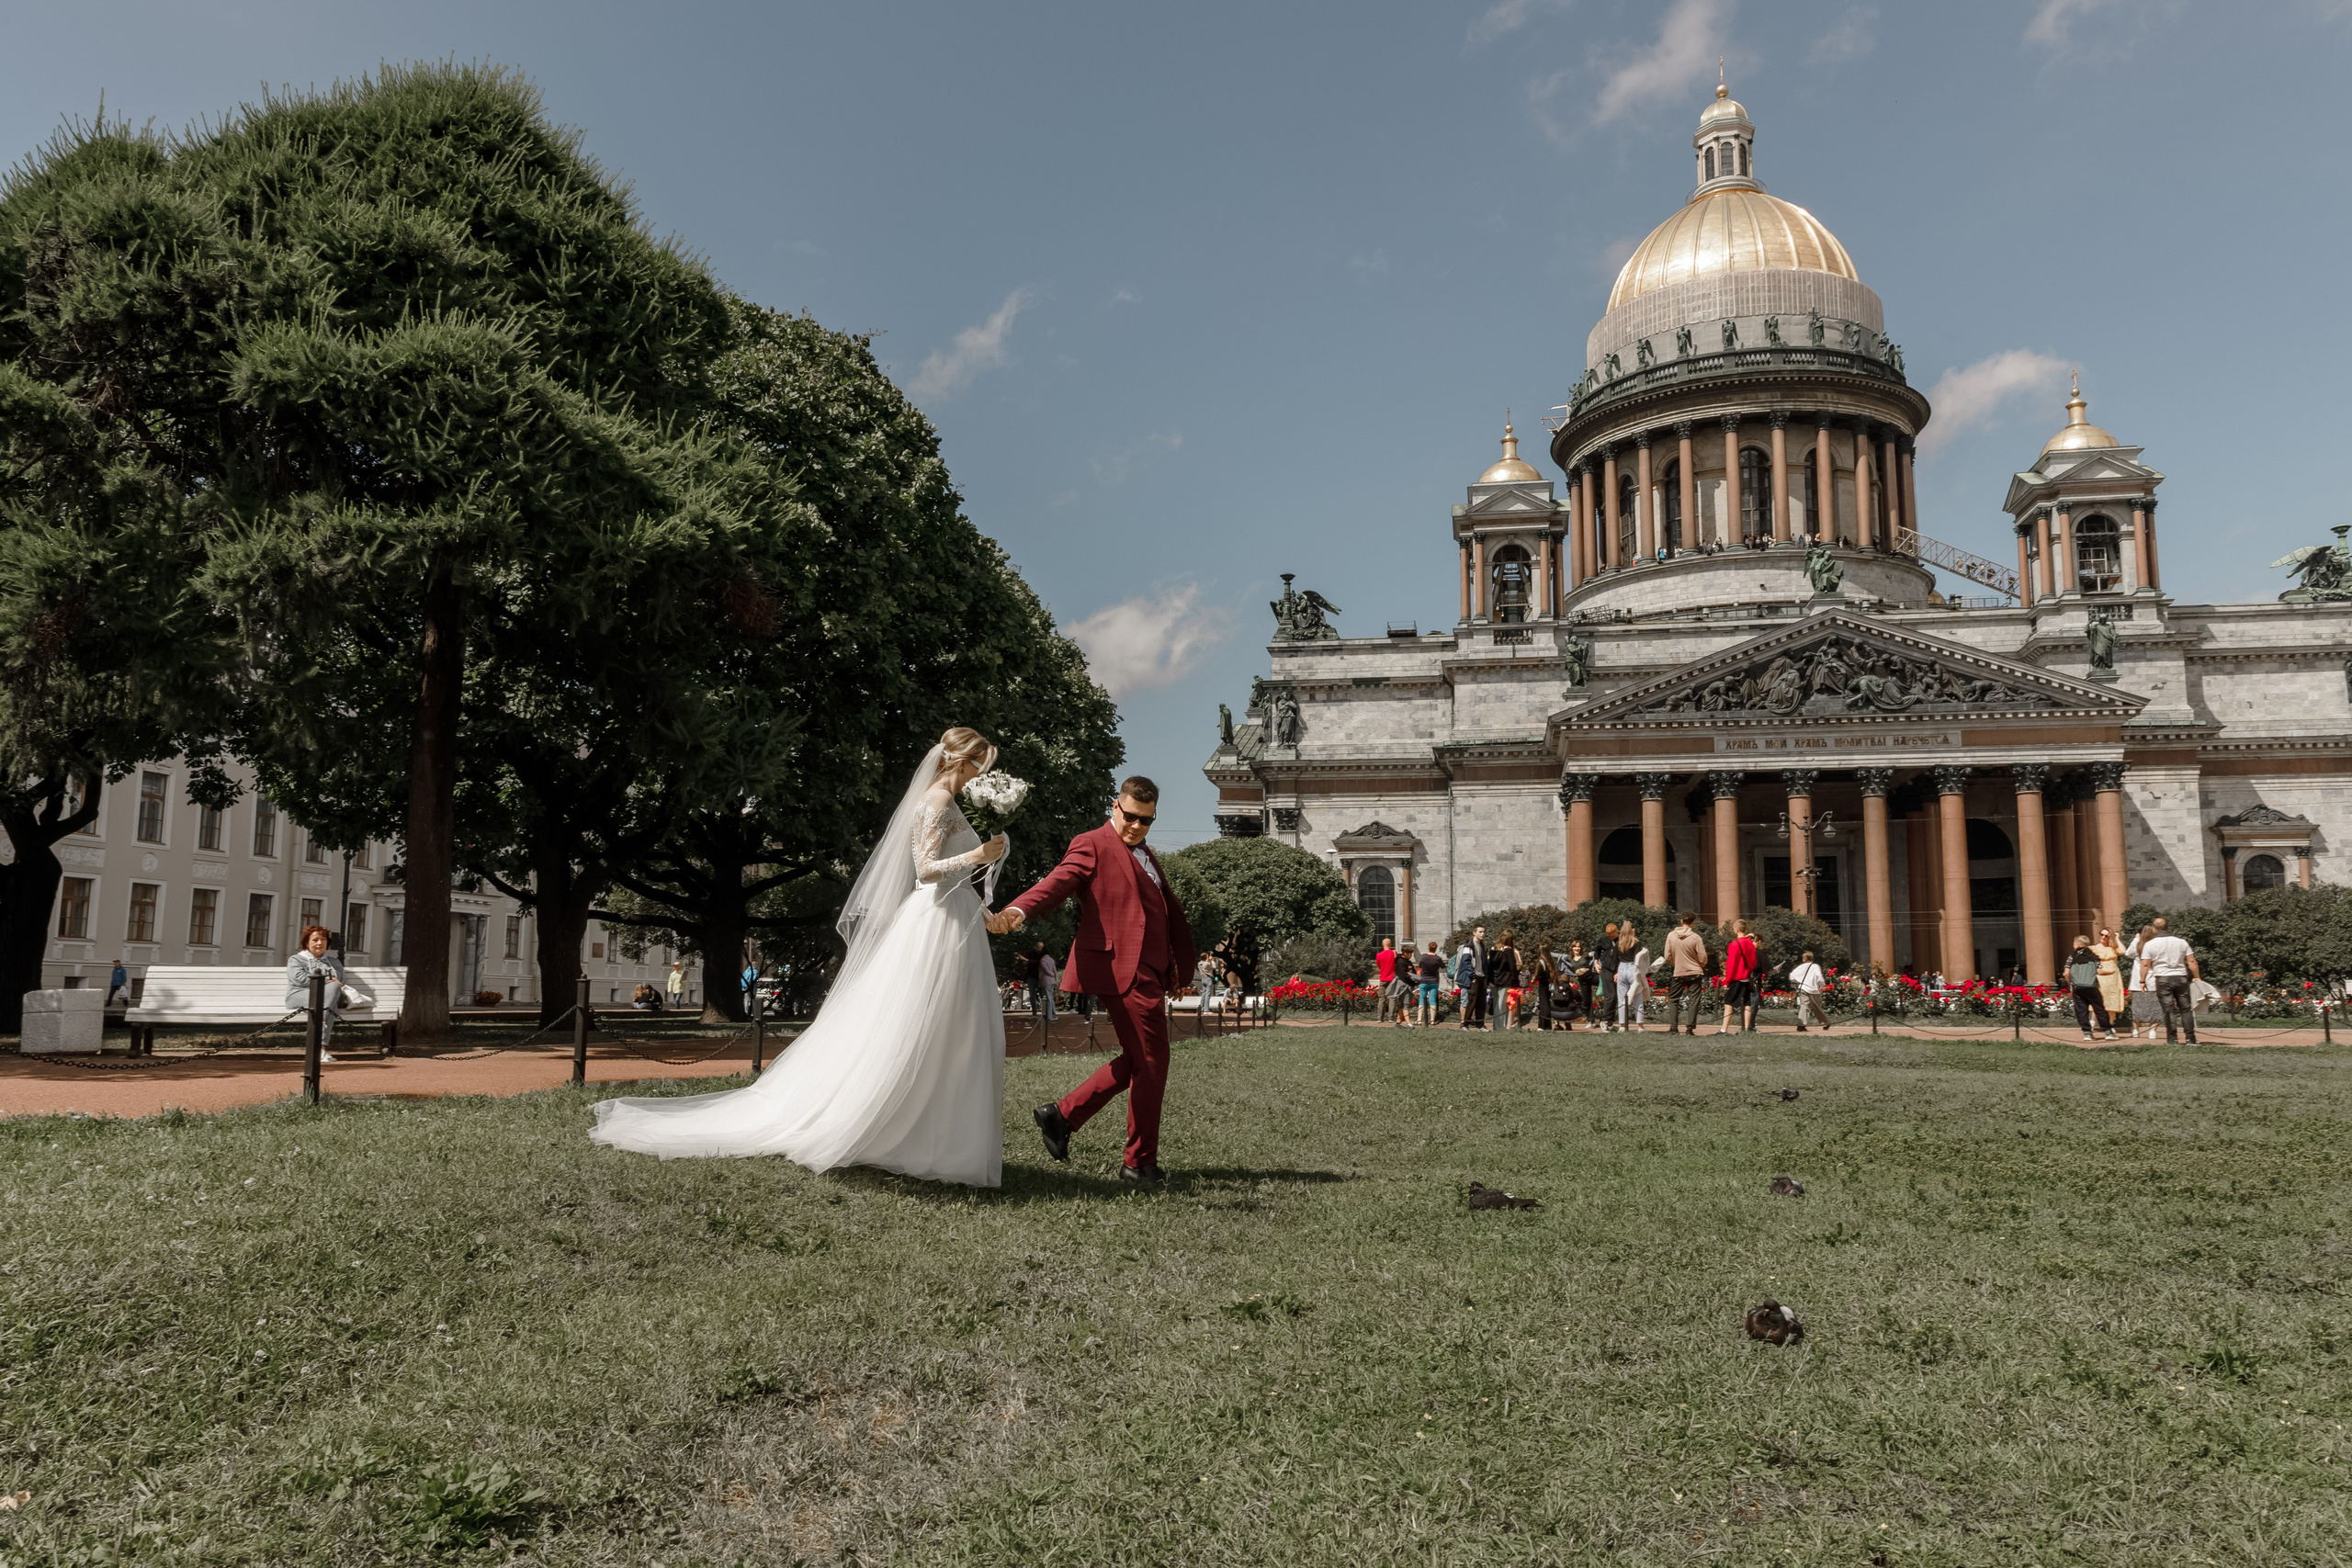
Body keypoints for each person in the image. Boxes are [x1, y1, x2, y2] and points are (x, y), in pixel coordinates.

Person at [591, 728, 1012, 1186]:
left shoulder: (950, 804)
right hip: (932, 923)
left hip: (955, 920)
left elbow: (952, 877)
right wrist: (977, 854)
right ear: (958, 761)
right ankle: (897, 1129)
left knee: (954, 1030)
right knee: (919, 1026)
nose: (978, 776)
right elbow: (927, 870)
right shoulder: (933, 802)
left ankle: (938, 1137)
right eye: (977, 766)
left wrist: (986, 904)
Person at [1000, 774, 1197, 1185]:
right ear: (1115, 806)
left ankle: (1063, 1115)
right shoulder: (1091, 843)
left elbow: (1158, 912)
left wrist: (1174, 964)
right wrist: (1018, 910)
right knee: (1151, 1062)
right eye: (1130, 817)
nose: (1136, 827)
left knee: (1142, 1061)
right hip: (1121, 969)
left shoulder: (1145, 852)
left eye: (1146, 821)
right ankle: (1138, 1163)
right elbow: (1058, 881)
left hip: (1150, 972)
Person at [285, 923, 372, 1065]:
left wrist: (333, 984)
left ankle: (322, 1020)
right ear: (306, 943)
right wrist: (327, 980)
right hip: (300, 995)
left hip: (329, 997)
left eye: (323, 940)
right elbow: (299, 980)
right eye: (315, 940)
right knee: (328, 1004)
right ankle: (321, 1048)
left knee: (328, 999)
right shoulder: (296, 960)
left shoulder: (334, 962)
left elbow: (340, 983)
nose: (320, 943)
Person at [2134, 917, 2200, 1044]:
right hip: (2181, 977)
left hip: (2163, 979)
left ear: (2154, 929)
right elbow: (2191, 961)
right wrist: (2196, 976)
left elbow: (2145, 964)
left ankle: (2172, 1039)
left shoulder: (2150, 944)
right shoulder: (2181, 942)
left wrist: (2142, 981)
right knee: (2185, 1008)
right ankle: (2190, 1038)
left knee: (2169, 1009)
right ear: (2167, 927)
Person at [1662, 912, 1709, 1035]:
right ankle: (1690, 1028)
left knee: (1673, 999)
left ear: (1681, 921)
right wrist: (1700, 965)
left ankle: (1673, 1028)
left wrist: (1675, 963)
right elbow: (1703, 957)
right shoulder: (1696, 937)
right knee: (1694, 1000)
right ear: (1693, 922)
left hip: (1679, 972)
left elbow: (1667, 956)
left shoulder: (1671, 936)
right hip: (1695, 972)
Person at [2065, 934, 2116, 1041]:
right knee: (2099, 1009)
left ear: (2078, 944)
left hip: (2077, 987)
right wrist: (2111, 972)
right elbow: (2099, 971)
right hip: (2091, 987)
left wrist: (2070, 983)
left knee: (2081, 1010)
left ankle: (2087, 1033)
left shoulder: (2072, 956)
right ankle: (2108, 1032)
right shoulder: (2093, 956)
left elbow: (2066, 973)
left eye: (2074, 943)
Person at [1720, 919, 1759, 1034]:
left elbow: (1731, 965)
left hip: (1736, 978)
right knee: (1747, 1003)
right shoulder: (1751, 945)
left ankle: (1724, 1029)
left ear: (1736, 929)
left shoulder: (1734, 944)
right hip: (1747, 977)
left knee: (1729, 1003)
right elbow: (1753, 962)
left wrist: (1727, 981)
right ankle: (1746, 1029)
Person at [2124, 923, 2162, 1040]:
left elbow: (2128, 953)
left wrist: (2136, 938)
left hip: (2138, 981)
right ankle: (2152, 1031)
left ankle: (2135, 1030)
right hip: (2153, 980)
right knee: (2155, 1008)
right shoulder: (2156, 945)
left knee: (2137, 1008)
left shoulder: (2137, 944)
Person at [1612, 926, 1650, 1032]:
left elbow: (1615, 959)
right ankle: (1640, 1026)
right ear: (1631, 930)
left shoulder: (1618, 943)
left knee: (1622, 999)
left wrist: (1616, 972)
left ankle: (1622, 1026)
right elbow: (1638, 958)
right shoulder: (1637, 943)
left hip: (1622, 968)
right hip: (1633, 968)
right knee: (1637, 997)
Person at [1455, 925, 1491, 1030]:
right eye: (1480, 932)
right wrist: (1473, 976)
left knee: (1481, 1002)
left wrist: (1485, 976)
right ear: (1474, 933)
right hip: (1474, 978)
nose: (1482, 934)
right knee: (1471, 1001)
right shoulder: (1469, 946)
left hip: (1482, 977)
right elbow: (1466, 962)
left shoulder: (1482, 946)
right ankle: (1465, 1024)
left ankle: (1480, 1025)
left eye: (1483, 932)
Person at [2091, 928, 2127, 1023]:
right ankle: (2093, 1022)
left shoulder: (2113, 948)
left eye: (2106, 935)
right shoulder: (2094, 948)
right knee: (2098, 997)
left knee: (2112, 998)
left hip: (2113, 976)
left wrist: (2117, 938)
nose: (2103, 937)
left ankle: (2110, 1023)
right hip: (2100, 974)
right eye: (2101, 934)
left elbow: (2123, 951)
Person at [1789, 949, 1828, 1032]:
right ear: (1812, 958)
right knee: (1817, 1007)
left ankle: (1801, 1024)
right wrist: (1822, 985)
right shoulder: (1815, 966)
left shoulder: (1800, 967)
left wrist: (1799, 980)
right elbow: (1819, 976)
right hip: (1813, 989)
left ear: (1804, 959)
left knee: (1804, 1006)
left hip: (1803, 988)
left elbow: (1791, 976)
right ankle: (1825, 1023)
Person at [1490, 930, 1521, 1030]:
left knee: (1496, 1003)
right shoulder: (1508, 950)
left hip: (1493, 979)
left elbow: (1489, 965)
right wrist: (1515, 980)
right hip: (1505, 979)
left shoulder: (1493, 949)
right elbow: (1512, 966)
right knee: (1502, 1004)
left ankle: (1496, 1026)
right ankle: (1501, 1027)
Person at [1414, 941, 1444, 1025]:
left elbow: (1420, 966)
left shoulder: (1423, 957)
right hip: (1434, 981)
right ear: (1436, 948)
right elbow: (1443, 966)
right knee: (1432, 1000)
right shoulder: (1438, 959)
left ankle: (1419, 1019)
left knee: (1421, 1000)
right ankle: (1432, 1020)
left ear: (1429, 947)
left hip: (1423, 981)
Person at [1374, 938, 1404, 1026]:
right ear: (1390, 944)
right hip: (1392, 978)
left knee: (1381, 998)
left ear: (1382, 945)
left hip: (1383, 978)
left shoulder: (1378, 955)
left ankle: (1380, 1018)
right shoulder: (1394, 952)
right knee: (1392, 997)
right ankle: (1391, 1017)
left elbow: (1379, 966)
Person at [1035, 942, 1061, 1025]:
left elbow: (1046, 971)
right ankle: (1053, 1014)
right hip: (1052, 981)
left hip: (1046, 981)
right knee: (1051, 999)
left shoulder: (1043, 960)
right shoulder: (1052, 960)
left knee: (1048, 999)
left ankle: (1049, 1015)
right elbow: (1055, 971)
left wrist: (1051, 975)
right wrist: (1055, 980)